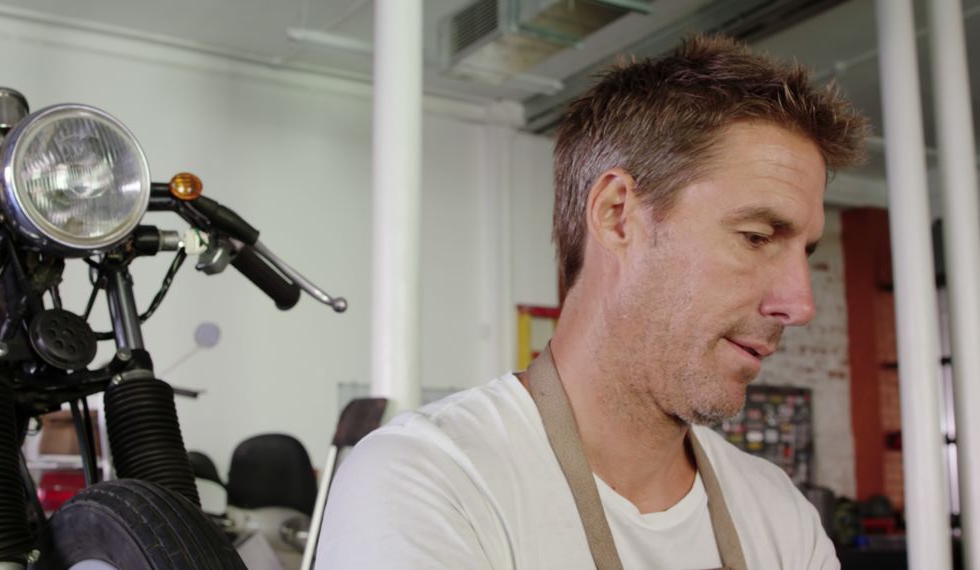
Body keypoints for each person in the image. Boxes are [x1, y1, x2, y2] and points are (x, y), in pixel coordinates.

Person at [316, 34, 867, 569]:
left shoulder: (778, 514)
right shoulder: (433, 481)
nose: (800, 304)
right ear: (617, 215)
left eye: (805, 250)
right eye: (756, 236)